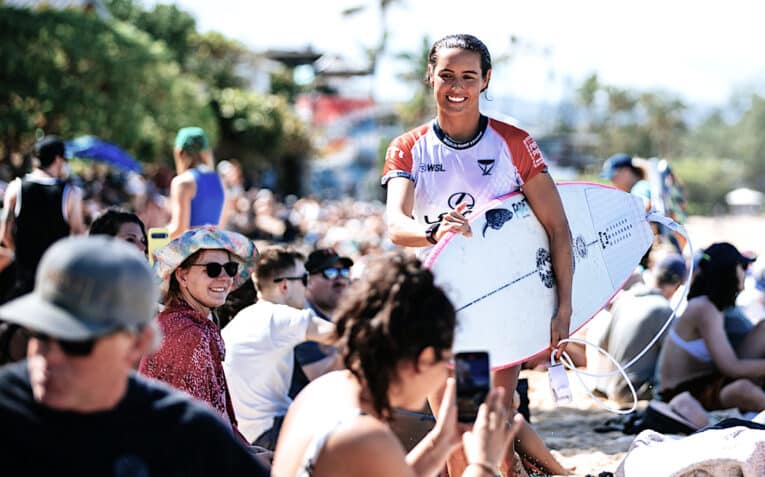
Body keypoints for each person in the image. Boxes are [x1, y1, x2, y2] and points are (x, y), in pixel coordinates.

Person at [382, 33, 573, 476]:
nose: (456, 86)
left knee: (494, 428)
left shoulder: (513, 142)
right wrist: (434, 231)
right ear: (430, 75)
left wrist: (563, 308)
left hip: (499, 309)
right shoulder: (408, 147)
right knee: (455, 432)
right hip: (438, 312)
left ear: (486, 79)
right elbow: (396, 224)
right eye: (446, 75)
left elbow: (558, 229)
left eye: (469, 76)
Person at [0, 236, 268, 476]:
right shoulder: (7, 401)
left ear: (138, 344)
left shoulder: (186, 432)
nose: (48, 358)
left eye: (76, 342)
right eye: (39, 333)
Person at [272, 252, 523, 477]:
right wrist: (484, 464)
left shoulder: (323, 391)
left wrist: (442, 441)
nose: (444, 375)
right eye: (445, 360)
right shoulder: (365, 436)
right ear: (424, 360)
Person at [139, 226, 256, 432]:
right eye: (212, 269)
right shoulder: (188, 335)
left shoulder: (182, 324)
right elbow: (199, 433)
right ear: (182, 276)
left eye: (230, 268)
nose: (224, 278)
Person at [223, 246, 337, 449]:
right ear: (284, 286)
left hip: (243, 434)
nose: (308, 286)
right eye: (304, 279)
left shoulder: (247, 316)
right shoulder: (277, 316)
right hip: (267, 433)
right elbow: (340, 334)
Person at [657, 242, 765, 412]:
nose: (745, 272)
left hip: (706, 382)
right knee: (743, 389)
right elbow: (730, 367)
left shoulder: (711, 306)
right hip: (681, 394)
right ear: (728, 270)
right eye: (743, 266)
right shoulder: (703, 309)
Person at [590, 253, 687, 404]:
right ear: (676, 286)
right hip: (637, 393)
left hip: (612, 390)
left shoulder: (625, 299)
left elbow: (602, 345)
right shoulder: (663, 310)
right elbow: (673, 360)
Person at [0, 135, 85, 300]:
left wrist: (21, 255)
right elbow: (79, 237)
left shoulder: (15, 188)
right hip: (55, 279)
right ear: (58, 160)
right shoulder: (70, 194)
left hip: (22, 277)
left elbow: (4, 235)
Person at [290, 248, 353, 397]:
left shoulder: (342, 315)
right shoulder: (301, 318)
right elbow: (324, 382)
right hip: (301, 412)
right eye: (330, 272)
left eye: (344, 272)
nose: (341, 280)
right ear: (308, 281)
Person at [167, 127, 225, 240]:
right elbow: (221, 225)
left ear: (179, 153)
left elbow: (179, 229)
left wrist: (150, 237)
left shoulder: (183, 182)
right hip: (216, 249)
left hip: (191, 253)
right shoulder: (219, 180)